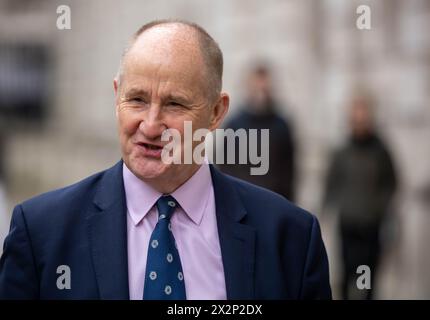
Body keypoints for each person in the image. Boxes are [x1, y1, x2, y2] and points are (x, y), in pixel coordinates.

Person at [0, 20, 331, 299]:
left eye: (174, 104)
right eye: (137, 99)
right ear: (117, 97)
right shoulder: (41, 232)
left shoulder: (292, 239)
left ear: (217, 112)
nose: (151, 125)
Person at [324, 94, 397, 300]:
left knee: (367, 276)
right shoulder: (342, 151)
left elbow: (391, 183)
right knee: (347, 274)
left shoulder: (380, 151)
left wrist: (378, 208)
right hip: (348, 224)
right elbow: (332, 182)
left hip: (371, 226)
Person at [218, 65, 296, 201]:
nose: (261, 92)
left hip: (274, 199)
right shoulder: (235, 125)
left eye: (264, 88)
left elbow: (288, 170)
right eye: (257, 86)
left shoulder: (281, 125)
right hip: (242, 198)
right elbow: (225, 168)